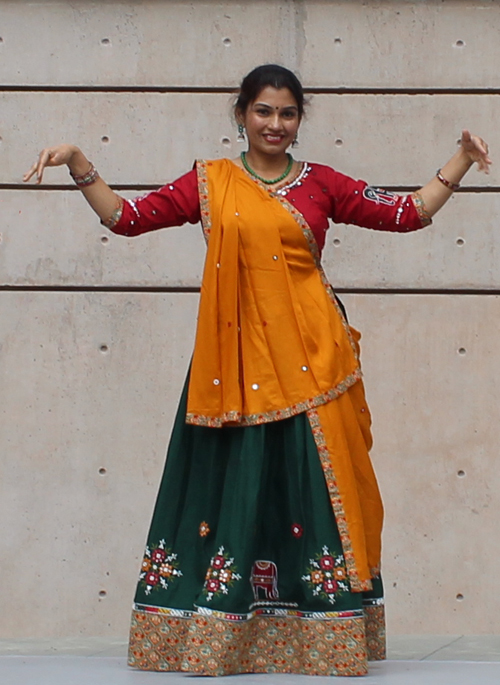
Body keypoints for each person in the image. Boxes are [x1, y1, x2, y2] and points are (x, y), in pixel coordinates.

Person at [24, 64, 491, 678]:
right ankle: (223, 629)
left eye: (288, 113)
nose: (276, 123)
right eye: (264, 111)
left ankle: (323, 632)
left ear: (300, 119)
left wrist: (458, 160)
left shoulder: (319, 184)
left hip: (314, 360)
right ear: (241, 113)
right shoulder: (210, 182)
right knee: (231, 489)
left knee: (318, 488)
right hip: (234, 366)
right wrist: (80, 163)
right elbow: (126, 219)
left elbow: (406, 213)